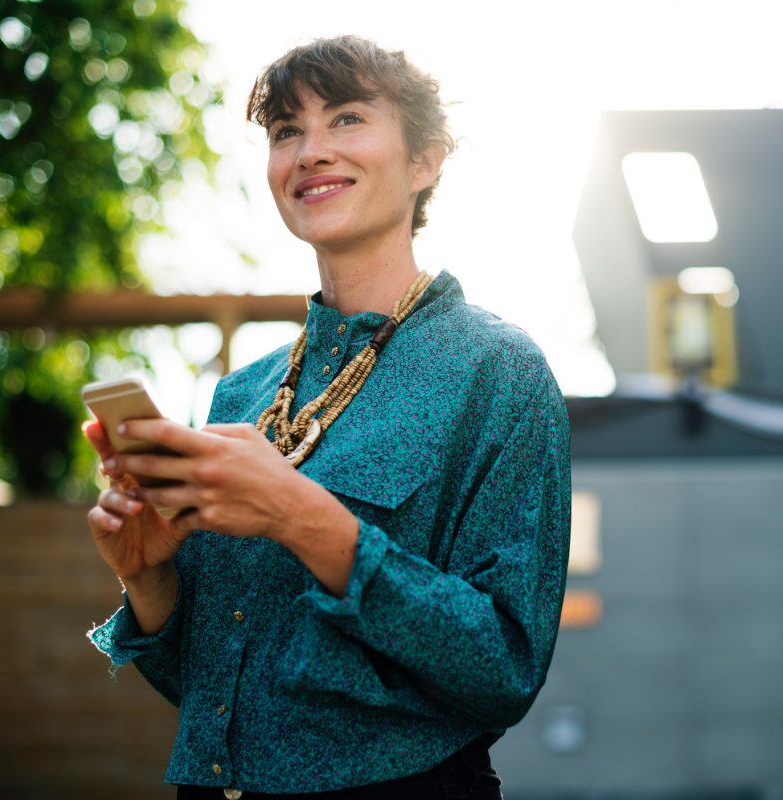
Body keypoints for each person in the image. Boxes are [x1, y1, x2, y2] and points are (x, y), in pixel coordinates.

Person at [86, 35, 571, 800]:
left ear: (425, 161)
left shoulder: (499, 372)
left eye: (346, 119)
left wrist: (301, 515)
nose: (310, 150)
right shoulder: (239, 396)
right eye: (286, 130)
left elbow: (505, 669)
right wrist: (146, 577)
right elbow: (209, 693)